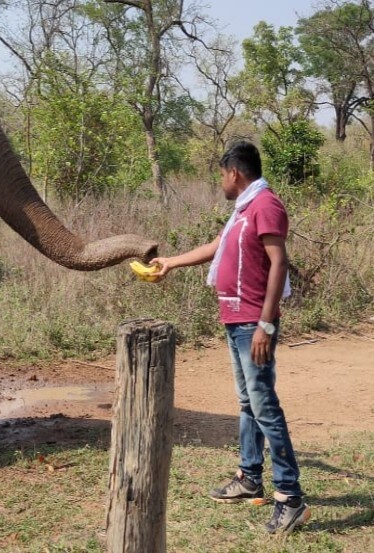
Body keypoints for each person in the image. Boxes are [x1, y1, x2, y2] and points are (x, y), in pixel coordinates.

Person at [151, 141, 311, 534]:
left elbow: (280, 263)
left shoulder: (265, 205)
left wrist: (266, 323)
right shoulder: (242, 210)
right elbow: (216, 248)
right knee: (248, 403)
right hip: (236, 320)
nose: (221, 181)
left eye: (222, 175)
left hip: (252, 324)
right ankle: (249, 477)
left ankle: (291, 497)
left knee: (264, 406)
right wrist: (170, 262)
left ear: (234, 173)